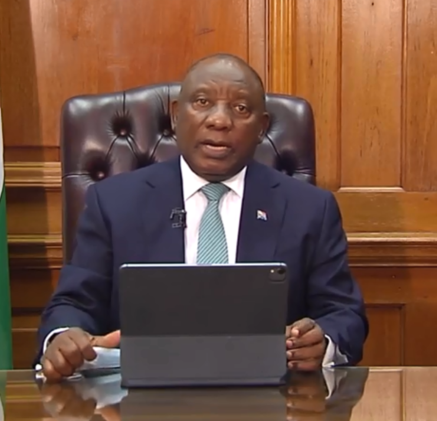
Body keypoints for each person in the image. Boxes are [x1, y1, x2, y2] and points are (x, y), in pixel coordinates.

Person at [37, 53, 369, 382]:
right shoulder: (114, 202)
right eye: (202, 102)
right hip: (139, 397)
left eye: (241, 108)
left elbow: (344, 314)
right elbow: (74, 303)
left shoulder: (309, 209)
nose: (219, 121)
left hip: (271, 396)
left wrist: (322, 342)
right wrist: (64, 336)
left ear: (262, 127)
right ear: (176, 115)